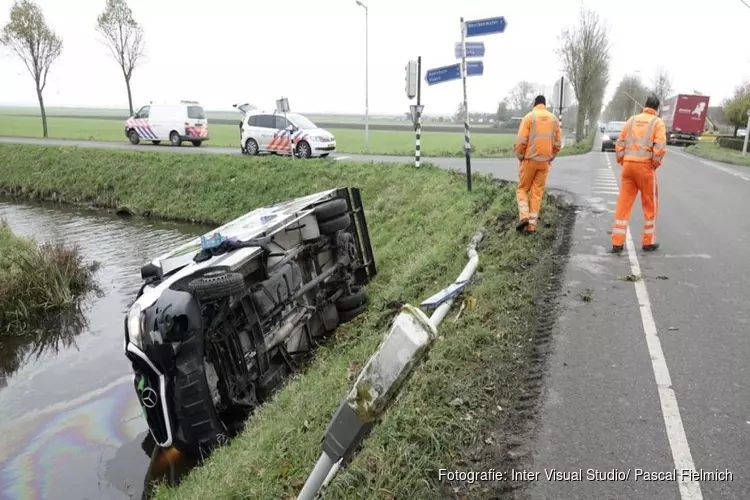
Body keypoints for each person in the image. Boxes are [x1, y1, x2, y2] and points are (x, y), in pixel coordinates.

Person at [610, 94, 667, 254]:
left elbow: (620, 143)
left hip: (628, 167)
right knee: (650, 205)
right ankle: (648, 242)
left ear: (644, 105)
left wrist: (623, 161)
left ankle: (617, 242)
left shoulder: (631, 120)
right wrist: (654, 164)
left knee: (623, 204)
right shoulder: (658, 123)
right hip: (645, 169)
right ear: (657, 108)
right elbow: (660, 148)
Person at [513, 95, 562, 234]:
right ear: (545, 104)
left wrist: (520, 156)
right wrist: (551, 157)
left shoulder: (529, 118)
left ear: (535, 104)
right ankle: (532, 227)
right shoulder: (554, 119)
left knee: (522, 189)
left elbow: (521, 141)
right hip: (545, 163)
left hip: (529, 160)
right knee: (537, 193)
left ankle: (524, 216)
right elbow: (558, 144)